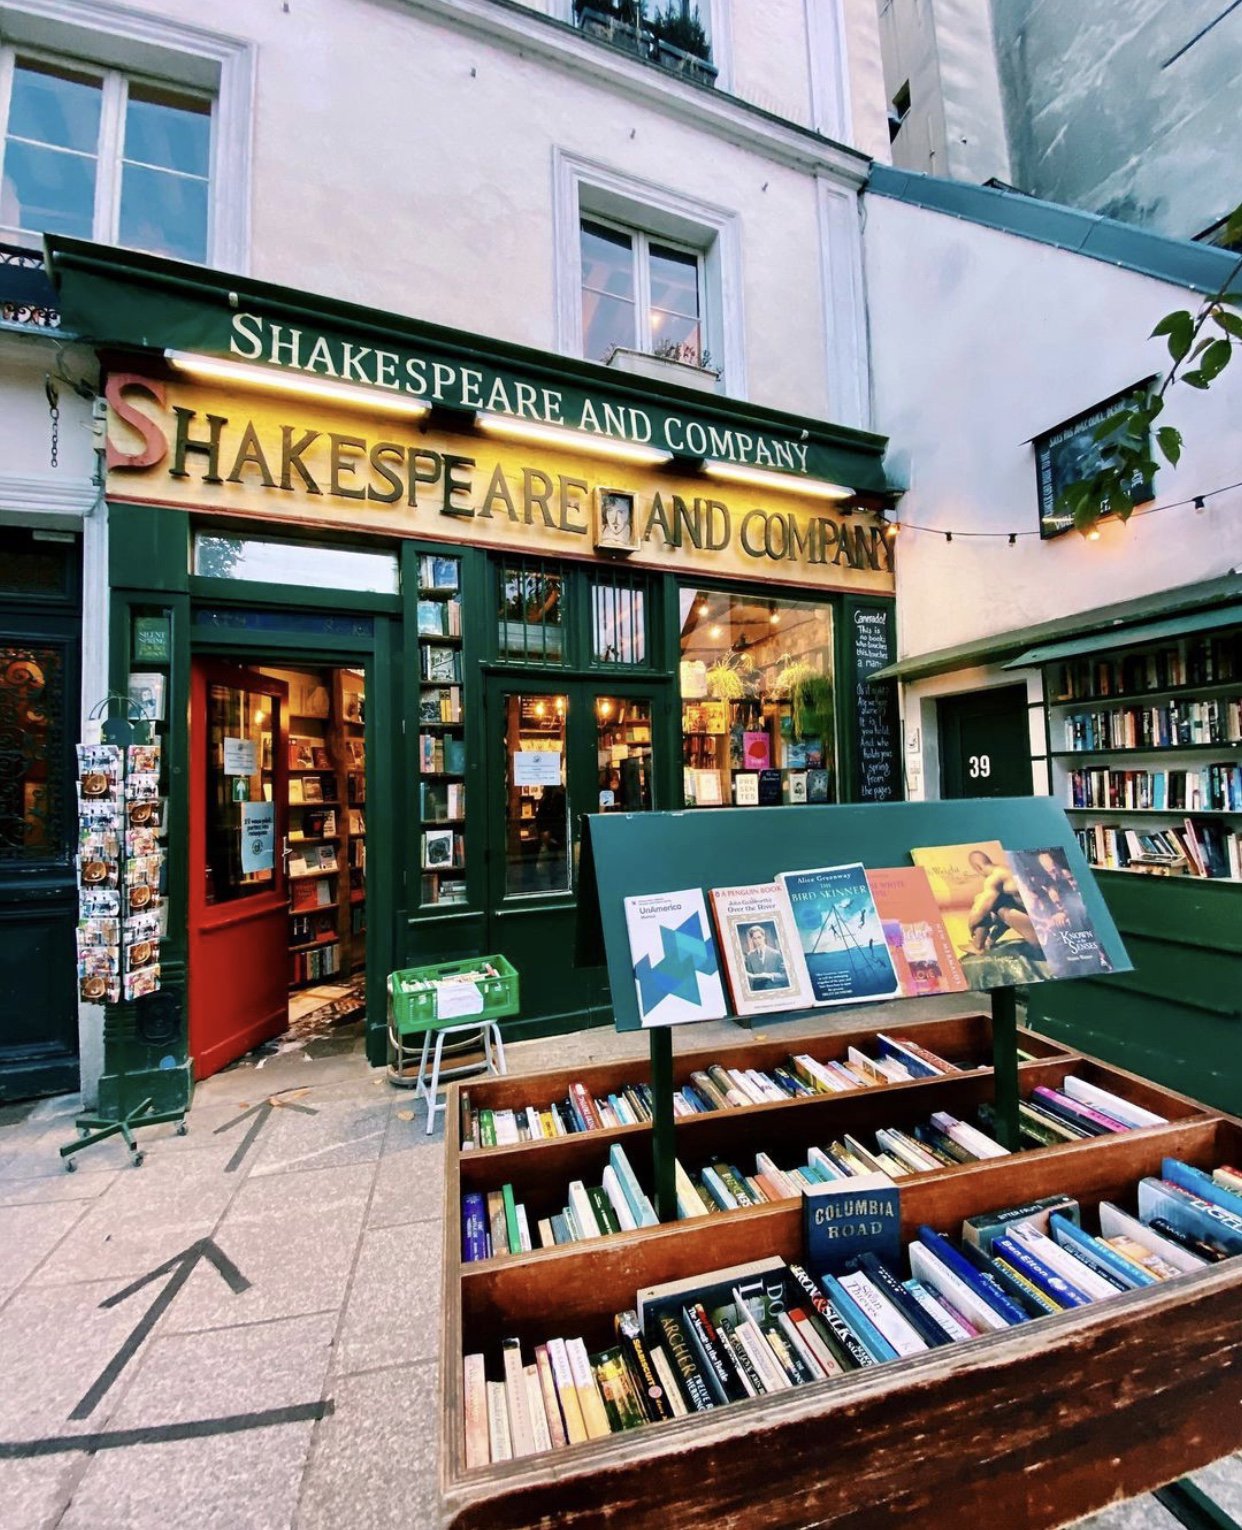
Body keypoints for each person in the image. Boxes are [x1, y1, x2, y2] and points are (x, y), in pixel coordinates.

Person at [965, 850, 1038, 952]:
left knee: (986, 902)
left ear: (978, 867)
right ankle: (988, 942)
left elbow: (979, 911)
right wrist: (991, 938)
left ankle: (977, 946)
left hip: (1042, 935)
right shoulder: (1008, 870)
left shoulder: (995, 876)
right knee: (1001, 903)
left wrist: (971, 927)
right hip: (1049, 926)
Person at [743, 924, 787, 989]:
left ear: (764, 937)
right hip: (758, 990)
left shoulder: (776, 954)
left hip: (774, 988)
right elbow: (749, 976)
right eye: (754, 938)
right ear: (752, 939)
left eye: (759, 937)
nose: (757, 941)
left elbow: (785, 975)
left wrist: (771, 976)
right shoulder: (749, 956)